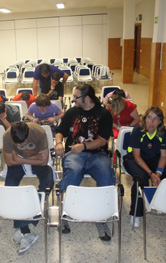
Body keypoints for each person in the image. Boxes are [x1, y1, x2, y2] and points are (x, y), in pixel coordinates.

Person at [55, 84, 115, 241]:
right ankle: (65, 212)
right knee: (73, 172)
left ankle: (101, 217)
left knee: (106, 176)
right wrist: (59, 143)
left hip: (97, 155)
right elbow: (60, 131)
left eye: (76, 97)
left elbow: (102, 140)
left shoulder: (103, 114)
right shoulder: (72, 112)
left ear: (86, 98)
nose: (73, 99)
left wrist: (84, 146)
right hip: (75, 154)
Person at [123, 106, 166, 228]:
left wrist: (159, 173)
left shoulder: (162, 132)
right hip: (136, 159)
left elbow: (163, 155)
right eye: (149, 117)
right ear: (145, 118)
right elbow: (137, 156)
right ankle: (136, 213)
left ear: (160, 121)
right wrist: (151, 174)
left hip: (154, 158)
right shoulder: (138, 130)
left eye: (156, 119)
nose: (151, 122)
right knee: (141, 179)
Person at [3, 121, 54, 255]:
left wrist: (20, 159)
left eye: (23, 142)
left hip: (27, 161)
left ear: (29, 133)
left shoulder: (39, 132)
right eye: (17, 144)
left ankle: (27, 217)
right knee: (9, 189)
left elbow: (43, 161)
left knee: (48, 183)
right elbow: (9, 161)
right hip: (22, 161)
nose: (20, 145)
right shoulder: (7, 135)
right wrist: (34, 157)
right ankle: (26, 231)